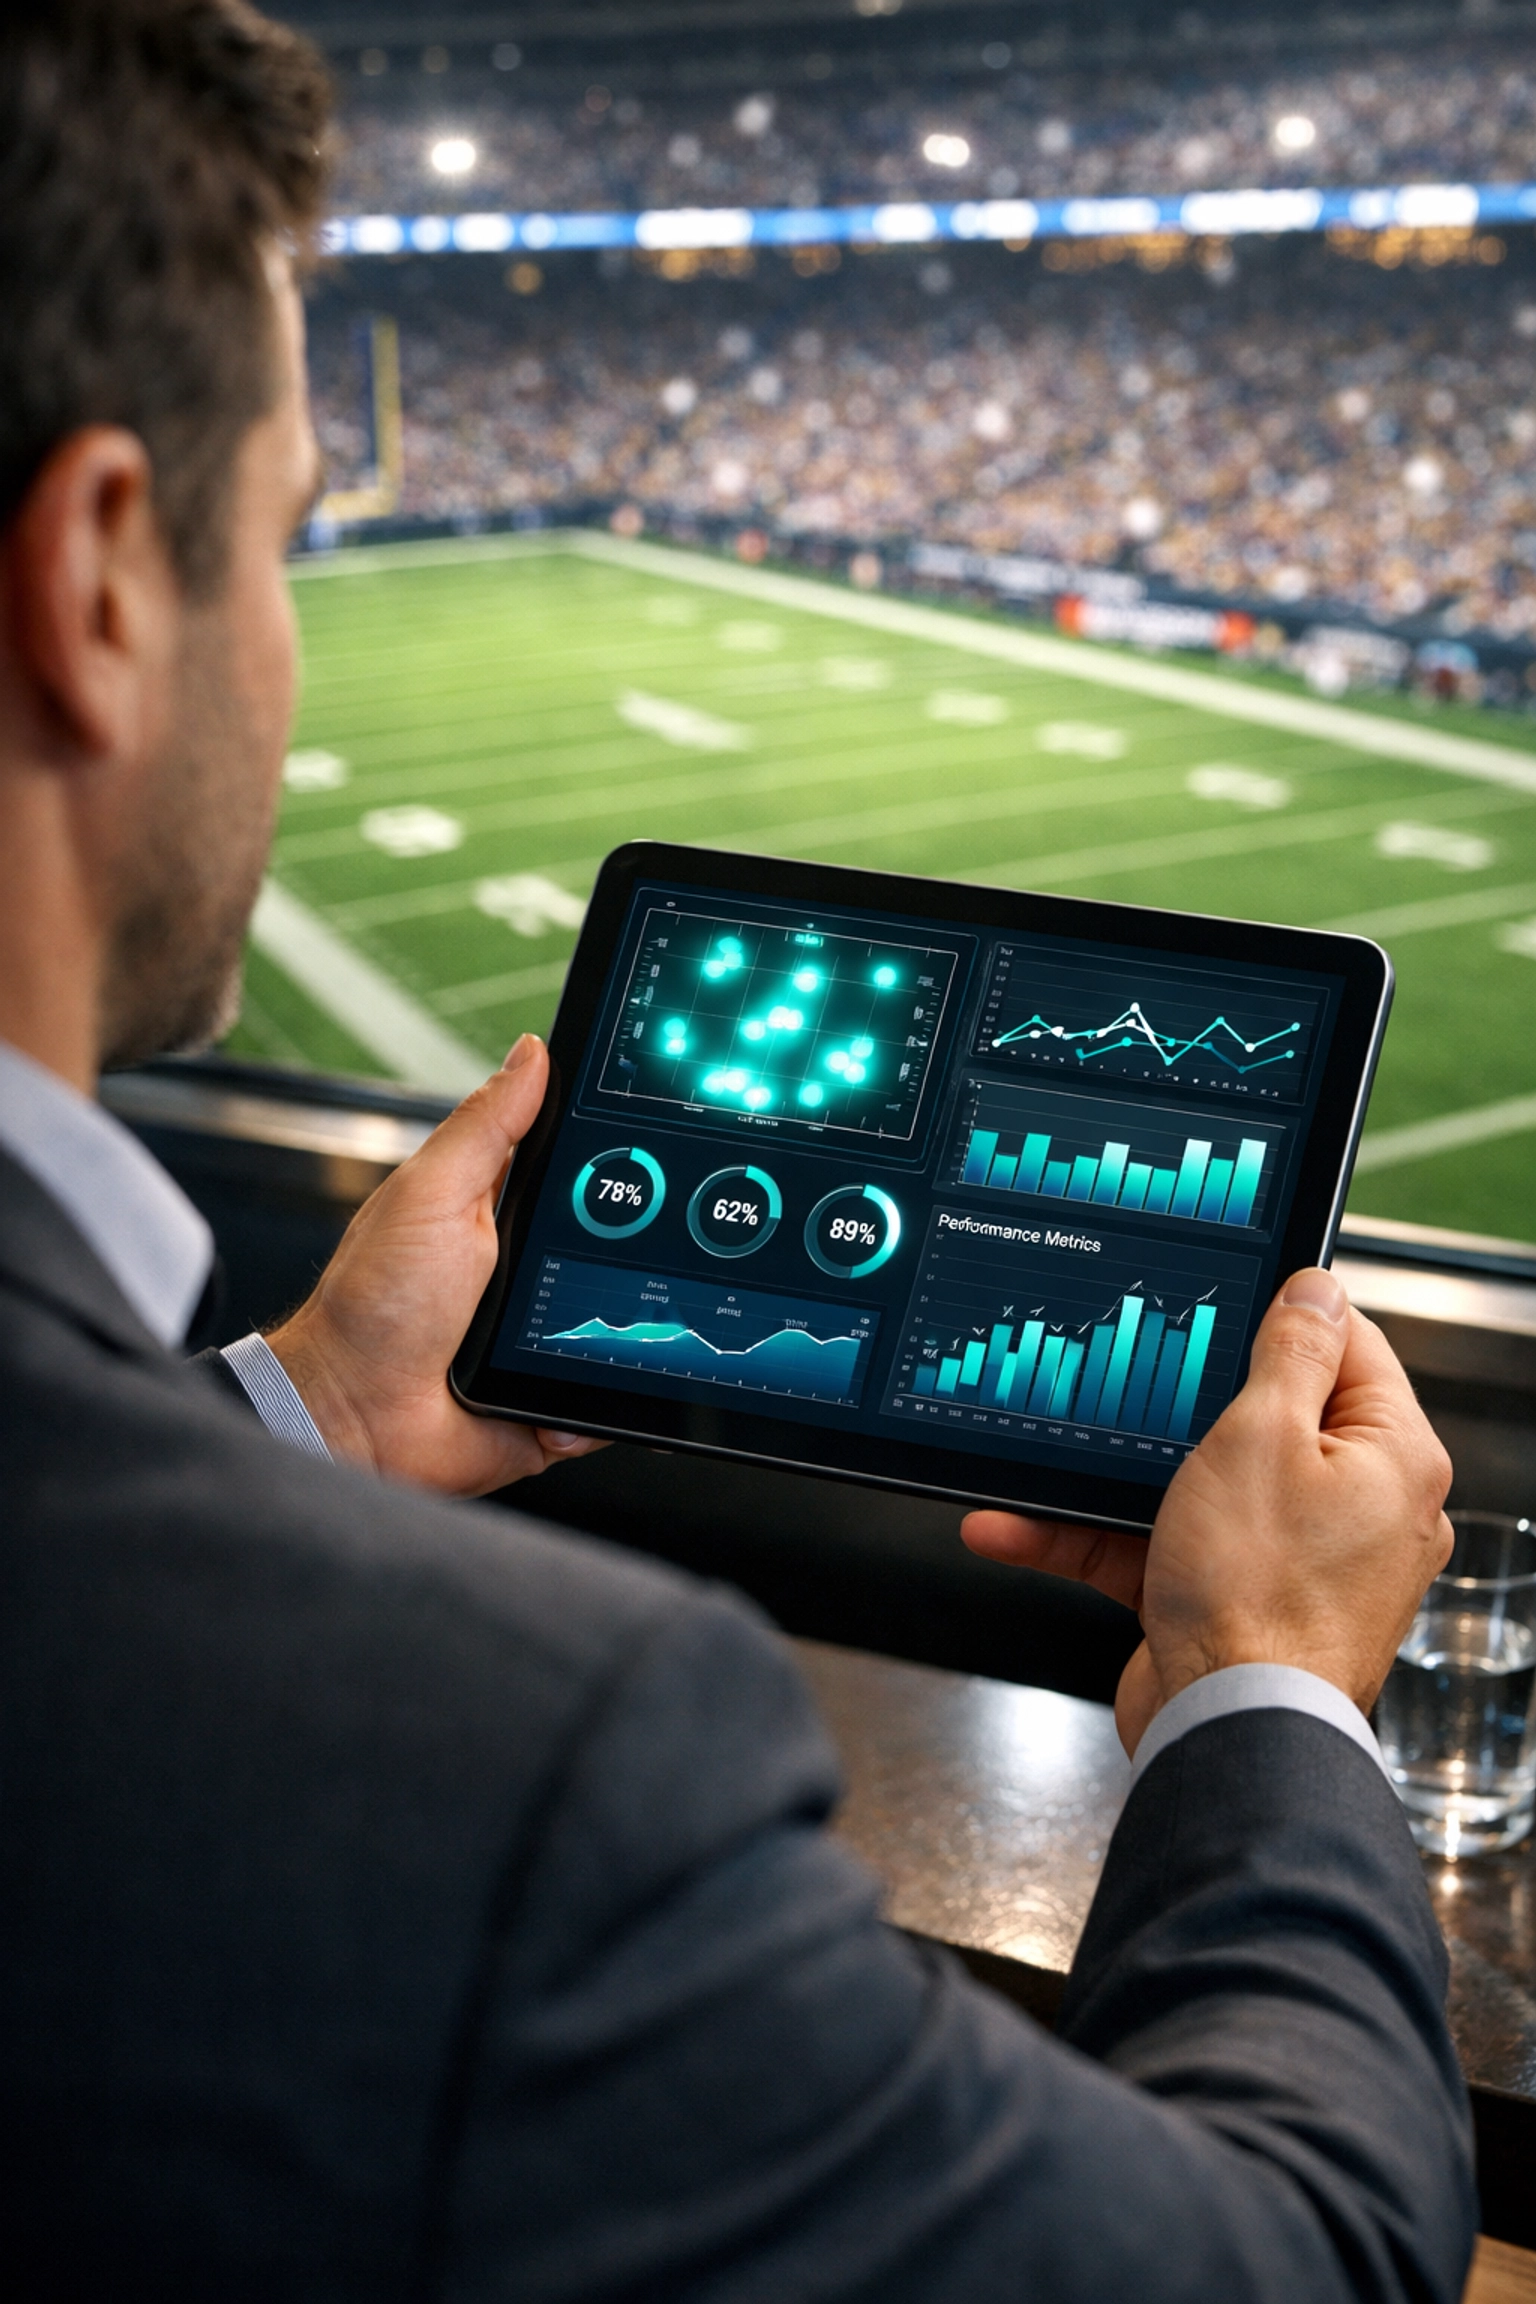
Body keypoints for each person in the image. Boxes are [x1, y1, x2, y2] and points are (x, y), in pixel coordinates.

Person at [0, 3, 1473, 2296]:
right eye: (287, 533)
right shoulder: (539, 1746)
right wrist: (1272, 1678)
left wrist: (313, 1420)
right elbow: (1294, 2266)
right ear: (98, 573)